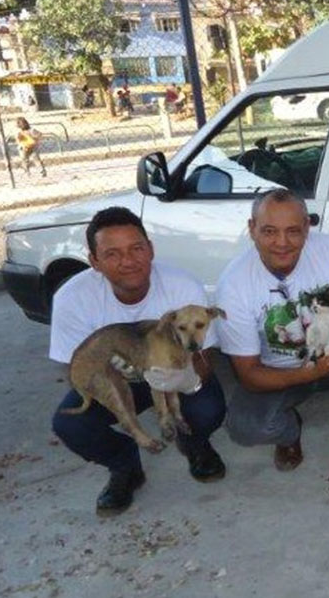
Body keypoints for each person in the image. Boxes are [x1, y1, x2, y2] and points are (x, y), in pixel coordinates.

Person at [50, 207, 227, 516]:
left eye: (137, 248)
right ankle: (125, 465)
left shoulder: (181, 286)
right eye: (113, 254)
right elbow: (76, 370)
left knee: (207, 405)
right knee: (71, 423)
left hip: (171, 372)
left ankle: (194, 444)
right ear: (94, 261)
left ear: (151, 249)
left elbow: (204, 358)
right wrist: (117, 384)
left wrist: (188, 379)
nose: (129, 261)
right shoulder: (72, 297)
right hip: (117, 378)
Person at [216, 189, 329, 485]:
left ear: (307, 229)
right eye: (269, 231)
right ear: (251, 230)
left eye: (293, 231)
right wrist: (308, 373)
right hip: (281, 372)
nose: (282, 243)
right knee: (243, 428)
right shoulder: (234, 284)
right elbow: (248, 375)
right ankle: (288, 431)